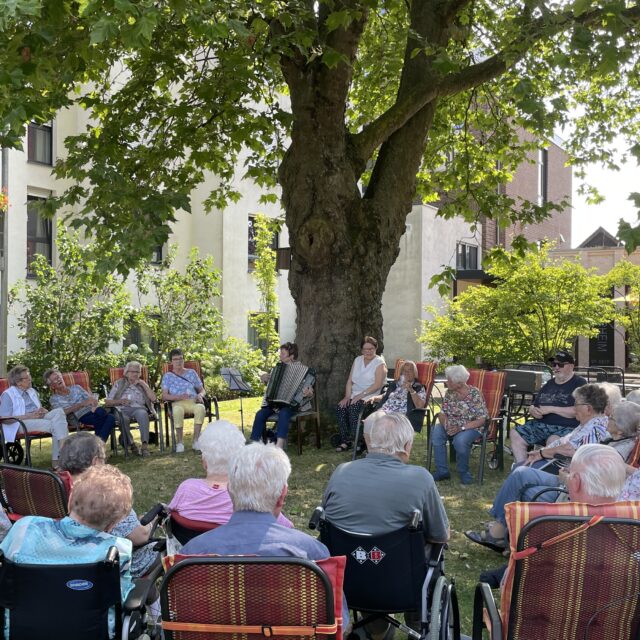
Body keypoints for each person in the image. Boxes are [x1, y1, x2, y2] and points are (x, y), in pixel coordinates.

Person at [181, 442, 349, 631]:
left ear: (230, 491)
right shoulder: (311, 553)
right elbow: (337, 626)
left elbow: (176, 629)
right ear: (282, 495)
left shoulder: (191, 554)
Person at [323, 412, 449, 639]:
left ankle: (376, 627)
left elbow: (327, 520)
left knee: (367, 553)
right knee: (422, 555)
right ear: (407, 445)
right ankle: (417, 623)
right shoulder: (420, 479)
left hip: (349, 582)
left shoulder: (341, 473)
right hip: (403, 584)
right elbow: (440, 535)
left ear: (370, 442)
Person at [465, 385, 618, 552]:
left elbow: (571, 451)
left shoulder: (595, 427)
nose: (574, 409)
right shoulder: (586, 424)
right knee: (520, 468)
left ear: (588, 408)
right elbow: (562, 445)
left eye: (576, 405)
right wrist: (540, 453)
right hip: (565, 476)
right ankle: (502, 529)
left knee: (520, 475)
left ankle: (498, 532)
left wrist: (544, 453)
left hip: (570, 484)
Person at [0, 464, 134, 639]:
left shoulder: (25, 528)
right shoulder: (117, 550)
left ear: (70, 500)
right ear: (113, 524)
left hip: (21, 633)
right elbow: (122, 597)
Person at [474, 444, 629, 586]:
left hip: (546, 613)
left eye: (570, 474)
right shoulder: (631, 528)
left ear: (576, 482)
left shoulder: (543, 524)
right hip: (613, 614)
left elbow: (511, 583)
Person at [56, 432, 159, 578]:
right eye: (104, 459)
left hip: (60, 559)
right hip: (104, 565)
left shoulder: (51, 484)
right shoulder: (103, 490)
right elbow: (139, 537)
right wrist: (153, 523)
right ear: (96, 462)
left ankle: (147, 597)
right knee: (164, 549)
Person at [169, 419, 293, 527]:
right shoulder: (246, 498)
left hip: (194, 552)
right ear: (238, 462)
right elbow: (287, 528)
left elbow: (168, 514)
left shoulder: (186, 489)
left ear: (204, 462)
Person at [510, 350, 586, 463]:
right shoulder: (549, 384)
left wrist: (550, 409)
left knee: (553, 441)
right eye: (554, 364)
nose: (556, 367)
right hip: (541, 425)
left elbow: (579, 411)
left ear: (571, 366)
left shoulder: (579, 383)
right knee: (515, 433)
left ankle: (544, 474)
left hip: (566, 428)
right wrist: (532, 410)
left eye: (560, 364)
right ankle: (523, 467)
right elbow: (535, 405)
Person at [431, 364, 488, 484]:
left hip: (471, 427)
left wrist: (460, 428)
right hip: (451, 425)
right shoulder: (449, 393)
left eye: (449, 380)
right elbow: (442, 413)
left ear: (460, 383)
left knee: (460, 441)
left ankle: (463, 472)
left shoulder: (475, 394)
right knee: (436, 432)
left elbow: (482, 419)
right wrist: (446, 425)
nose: (446, 382)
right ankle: (442, 471)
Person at [250, 342, 313, 449]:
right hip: (274, 404)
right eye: (281, 353)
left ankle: (279, 446)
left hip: (291, 405)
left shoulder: (303, 370)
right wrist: (265, 378)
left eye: (283, 354)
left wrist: (309, 392)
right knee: (260, 414)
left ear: (291, 356)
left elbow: (310, 389)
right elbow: (270, 384)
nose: (280, 356)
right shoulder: (277, 369)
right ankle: (254, 445)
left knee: (284, 413)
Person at [0, 365, 69, 463]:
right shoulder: (8, 395)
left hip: (37, 418)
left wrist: (42, 411)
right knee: (54, 425)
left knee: (59, 412)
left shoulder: (32, 391)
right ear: (18, 382)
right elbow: (4, 419)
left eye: (30, 376)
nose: (30, 379)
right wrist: (29, 416)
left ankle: (61, 453)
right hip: (19, 424)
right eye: (27, 378)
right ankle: (59, 459)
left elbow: (37, 409)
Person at [335, 336, 386, 452]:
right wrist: (347, 396)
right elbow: (350, 381)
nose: (368, 351)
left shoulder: (379, 362)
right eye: (365, 349)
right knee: (340, 408)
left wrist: (361, 395)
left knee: (354, 409)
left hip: (371, 395)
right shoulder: (357, 360)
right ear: (362, 349)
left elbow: (377, 385)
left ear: (376, 348)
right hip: (355, 394)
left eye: (371, 349)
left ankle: (360, 442)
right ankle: (345, 441)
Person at [46, 368, 116, 444]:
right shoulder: (54, 399)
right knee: (110, 418)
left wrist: (93, 401)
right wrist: (81, 404)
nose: (59, 379)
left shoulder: (76, 387)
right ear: (52, 386)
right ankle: (98, 447)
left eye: (59, 377)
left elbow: (90, 399)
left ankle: (97, 447)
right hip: (80, 416)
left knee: (104, 416)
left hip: (93, 410)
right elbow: (61, 412)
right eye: (55, 379)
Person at [105, 360, 157, 457]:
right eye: (132, 371)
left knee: (143, 414)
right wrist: (120, 401)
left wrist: (144, 384)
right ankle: (132, 444)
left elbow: (154, 399)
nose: (135, 374)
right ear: (126, 373)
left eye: (137, 372)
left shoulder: (142, 384)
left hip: (138, 408)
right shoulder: (119, 383)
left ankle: (145, 446)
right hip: (121, 409)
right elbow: (108, 402)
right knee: (123, 419)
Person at [161, 348, 206, 453]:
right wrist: (179, 397)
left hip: (192, 402)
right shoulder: (167, 376)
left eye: (180, 359)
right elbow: (164, 396)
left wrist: (200, 395)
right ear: (171, 362)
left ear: (183, 360)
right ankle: (180, 443)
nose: (178, 361)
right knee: (177, 411)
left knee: (200, 408)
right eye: (175, 359)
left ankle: (196, 441)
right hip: (177, 403)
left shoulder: (191, 373)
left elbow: (202, 390)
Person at [367, 360, 427, 432]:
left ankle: (383, 442)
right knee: (369, 421)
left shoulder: (418, 387)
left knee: (383, 424)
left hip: (400, 415)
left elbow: (420, 406)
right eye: (404, 371)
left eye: (410, 370)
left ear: (414, 373)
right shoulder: (395, 384)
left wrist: (411, 389)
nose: (407, 373)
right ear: (401, 373)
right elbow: (386, 396)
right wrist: (375, 398)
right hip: (385, 411)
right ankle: (372, 443)